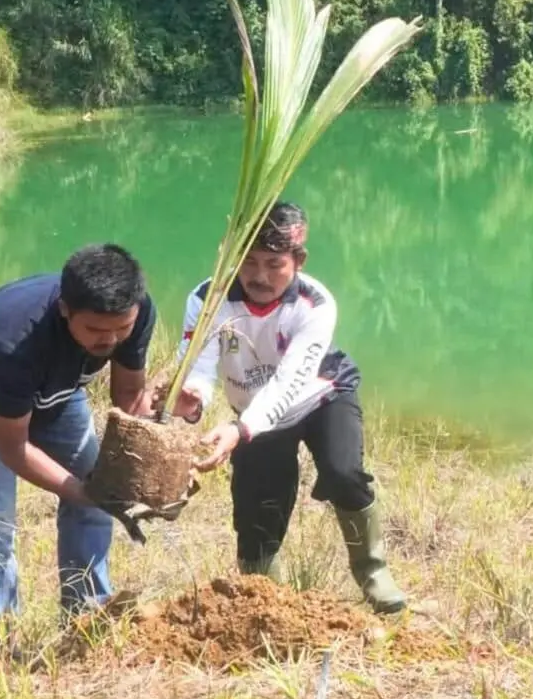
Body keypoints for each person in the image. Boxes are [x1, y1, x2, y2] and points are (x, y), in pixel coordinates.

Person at [164, 202, 407, 614]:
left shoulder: (315, 304)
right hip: (254, 415)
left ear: (299, 260)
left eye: (274, 264)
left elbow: (289, 382)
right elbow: (200, 363)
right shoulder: (208, 298)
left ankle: (374, 573)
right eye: (249, 262)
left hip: (320, 394)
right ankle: (269, 605)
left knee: (344, 474)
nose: (259, 276)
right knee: (258, 512)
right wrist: (194, 399)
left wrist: (240, 430)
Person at [0, 243, 157, 652]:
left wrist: (155, 452)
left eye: (121, 329)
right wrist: (78, 489)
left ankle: (86, 618)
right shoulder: (11, 341)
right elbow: (12, 449)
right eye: (96, 331)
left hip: (59, 389)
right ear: (65, 309)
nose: (110, 340)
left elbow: (128, 400)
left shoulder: (134, 312)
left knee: (96, 493)